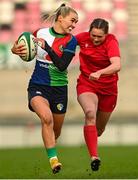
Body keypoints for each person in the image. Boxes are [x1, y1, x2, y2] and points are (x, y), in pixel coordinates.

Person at [11, 4, 78, 174]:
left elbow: (62, 66)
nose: (74, 25)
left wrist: (47, 47)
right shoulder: (40, 33)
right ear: (60, 18)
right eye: (72, 20)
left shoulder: (71, 40)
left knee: (56, 131)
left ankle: (49, 145)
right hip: (38, 86)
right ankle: (54, 160)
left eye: (76, 22)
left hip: (59, 90)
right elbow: (23, 48)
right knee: (46, 117)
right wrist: (15, 50)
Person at [75, 18, 121, 171]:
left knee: (99, 130)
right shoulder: (81, 38)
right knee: (89, 113)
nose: (95, 39)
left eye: (99, 36)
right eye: (93, 35)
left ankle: (92, 138)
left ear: (106, 35)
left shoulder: (111, 42)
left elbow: (117, 65)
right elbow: (62, 41)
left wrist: (100, 73)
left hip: (109, 89)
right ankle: (94, 156)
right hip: (87, 83)